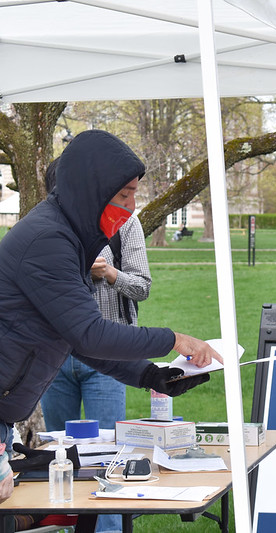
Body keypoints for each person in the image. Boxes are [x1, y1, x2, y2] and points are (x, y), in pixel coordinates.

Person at [0, 130, 222, 504]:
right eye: (123, 194)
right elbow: (89, 333)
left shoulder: (65, 236)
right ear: (91, 190)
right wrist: (174, 339)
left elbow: (73, 337)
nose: (132, 205)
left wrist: (149, 374)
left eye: (135, 193)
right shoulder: (47, 241)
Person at [40, 158, 151, 533]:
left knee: (108, 458)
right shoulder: (49, 231)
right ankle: (66, 525)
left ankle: (105, 529)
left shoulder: (127, 224)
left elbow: (142, 287)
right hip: (55, 359)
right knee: (60, 457)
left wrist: (109, 272)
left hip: (108, 357)